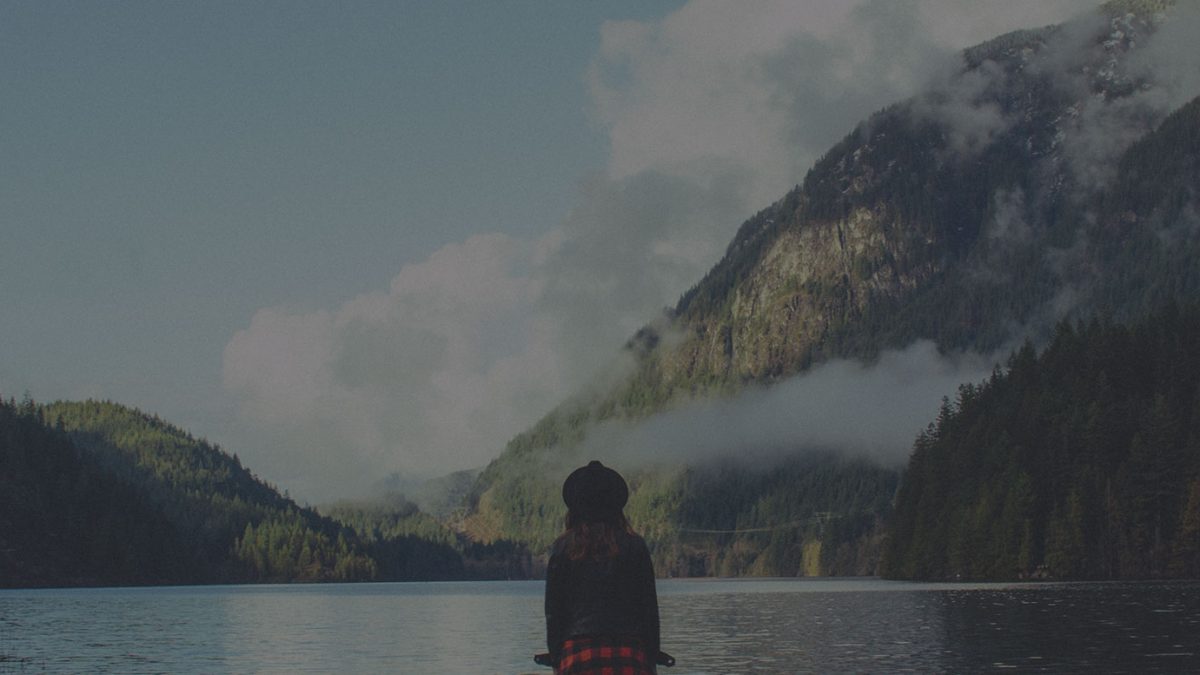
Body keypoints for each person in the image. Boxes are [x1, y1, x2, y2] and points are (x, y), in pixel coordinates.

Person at [544, 460, 661, 674]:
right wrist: (651, 656)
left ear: (575, 508)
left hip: (577, 654)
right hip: (630, 652)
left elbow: (554, 612)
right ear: (616, 507)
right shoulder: (635, 545)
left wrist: (556, 658)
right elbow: (648, 610)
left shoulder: (562, 548)